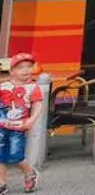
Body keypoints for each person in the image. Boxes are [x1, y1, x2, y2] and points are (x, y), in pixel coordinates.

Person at [0, 53, 44, 193]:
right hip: (2, 124)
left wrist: (31, 120)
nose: (25, 70)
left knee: (16, 155)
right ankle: (1, 183)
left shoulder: (33, 87)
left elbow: (38, 105)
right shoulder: (4, 86)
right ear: (12, 71)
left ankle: (30, 173)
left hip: (19, 126)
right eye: (20, 67)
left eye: (28, 67)